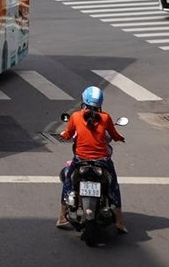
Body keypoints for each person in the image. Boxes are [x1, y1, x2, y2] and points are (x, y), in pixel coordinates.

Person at [57, 86, 128, 233]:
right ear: (100, 103)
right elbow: (114, 135)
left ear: (84, 100)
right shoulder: (106, 117)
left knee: (69, 181)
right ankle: (120, 222)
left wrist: (63, 135)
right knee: (113, 184)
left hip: (80, 159)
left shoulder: (76, 116)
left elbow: (68, 135)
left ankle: (62, 217)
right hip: (102, 160)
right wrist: (120, 138)